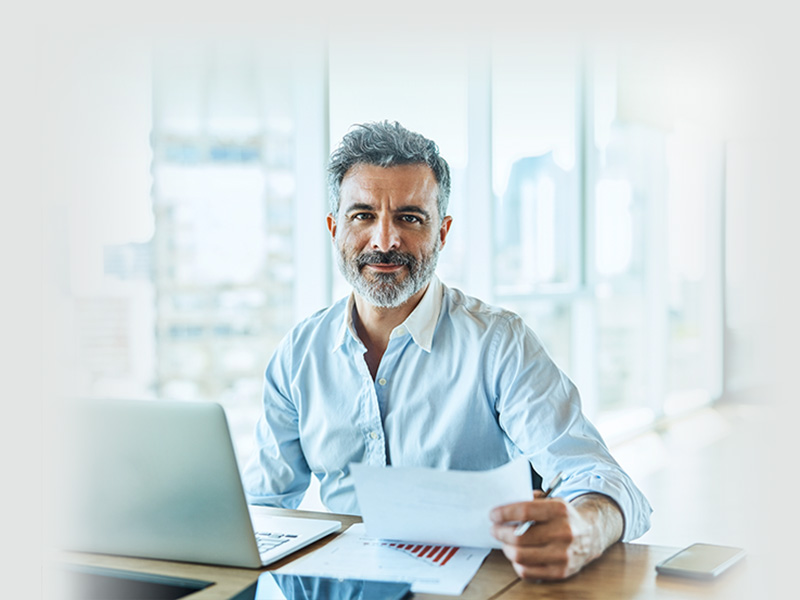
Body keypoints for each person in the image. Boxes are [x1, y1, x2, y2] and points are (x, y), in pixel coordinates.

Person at [244, 120, 652, 580]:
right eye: (362, 216)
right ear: (334, 228)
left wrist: (586, 527)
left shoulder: (498, 344)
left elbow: (606, 482)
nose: (384, 241)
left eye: (410, 218)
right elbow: (264, 507)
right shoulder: (298, 355)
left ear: (442, 232)